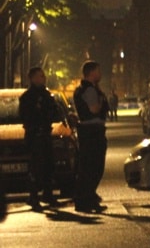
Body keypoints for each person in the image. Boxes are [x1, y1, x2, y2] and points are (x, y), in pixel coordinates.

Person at [18, 67, 63, 210]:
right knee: (36, 167)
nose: (43, 78)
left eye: (43, 76)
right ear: (32, 78)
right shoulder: (27, 97)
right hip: (35, 135)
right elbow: (25, 116)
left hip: (45, 134)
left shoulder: (47, 95)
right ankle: (33, 196)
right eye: (39, 76)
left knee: (49, 165)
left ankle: (47, 194)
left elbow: (54, 113)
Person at [72, 61, 110, 213]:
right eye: (98, 71)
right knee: (94, 167)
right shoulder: (90, 90)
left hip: (87, 131)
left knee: (87, 167)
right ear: (91, 72)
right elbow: (94, 109)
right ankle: (86, 199)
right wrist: (101, 102)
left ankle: (86, 199)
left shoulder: (81, 89)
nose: (100, 74)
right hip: (93, 132)